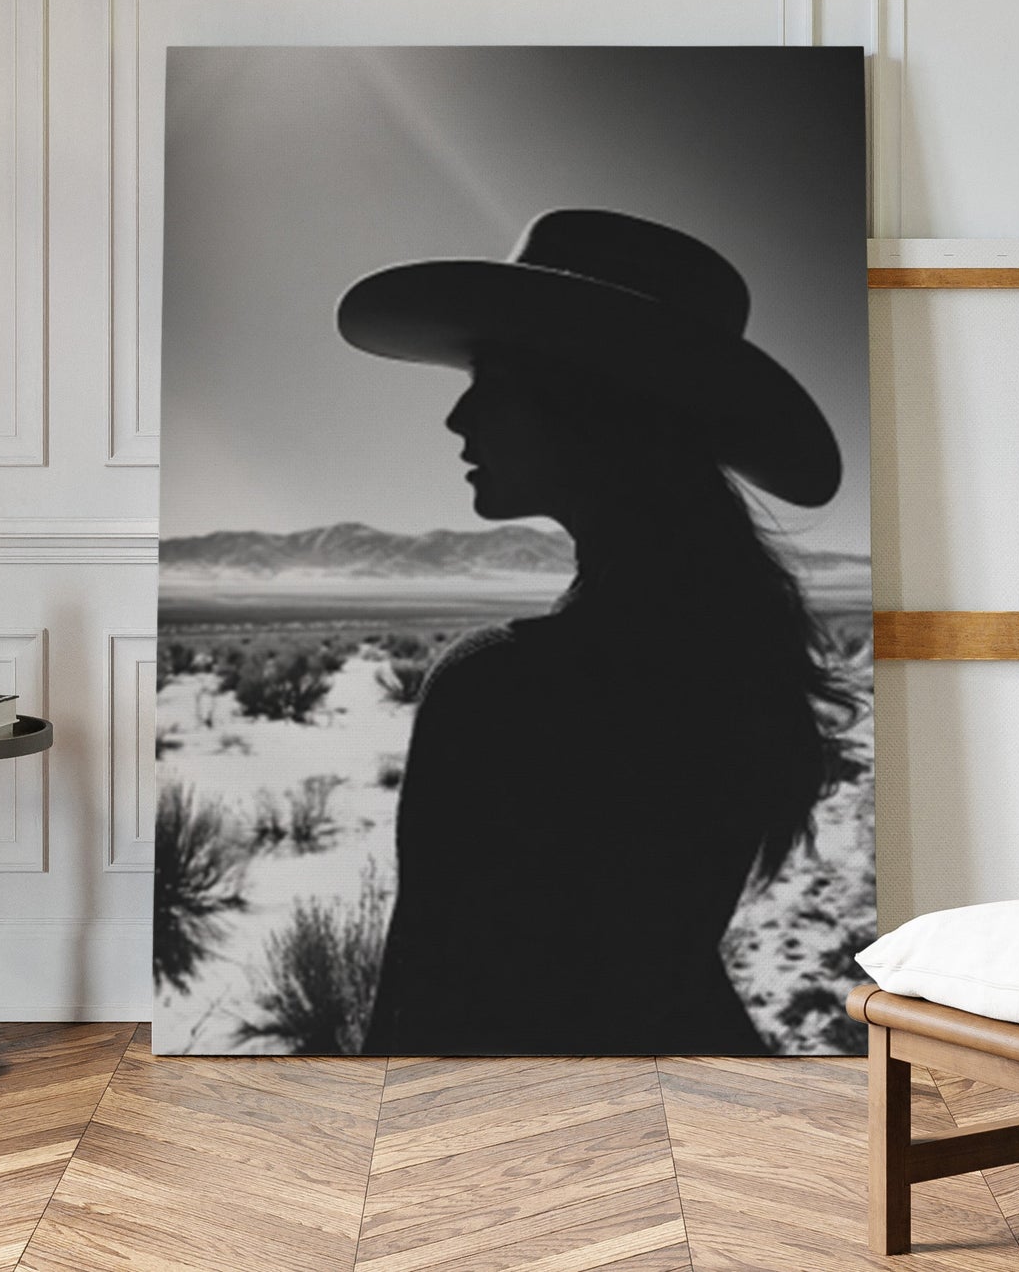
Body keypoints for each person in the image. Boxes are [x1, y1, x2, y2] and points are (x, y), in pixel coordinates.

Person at [337, 209, 857, 1054]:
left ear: (589, 401)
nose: (457, 418)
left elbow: (430, 1002)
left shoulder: (506, 688)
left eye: (492, 377)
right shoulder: (721, 654)